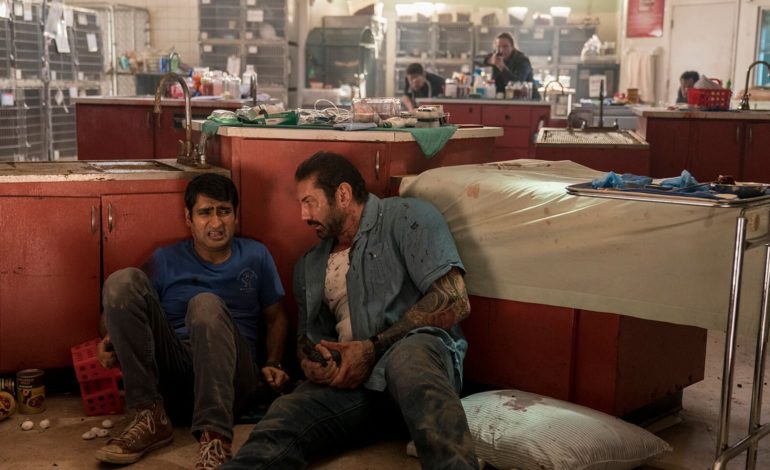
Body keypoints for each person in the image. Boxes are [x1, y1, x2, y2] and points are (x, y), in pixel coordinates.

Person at [223, 152, 478, 469]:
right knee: (286, 411)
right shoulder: (309, 265)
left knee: (409, 359)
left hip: (416, 363)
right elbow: (306, 338)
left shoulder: (407, 216)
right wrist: (314, 361)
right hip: (356, 388)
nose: (303, 215)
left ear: (342, 195)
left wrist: (372, 348)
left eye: (310, 202)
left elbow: (454, 300)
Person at [94, 173, 290, 469]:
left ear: (236, 215)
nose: (216, 223)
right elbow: (116, 311)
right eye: (205, 212)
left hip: (234, 378)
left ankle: (215, 437)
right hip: (174, 373)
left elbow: (276, 317)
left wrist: (274, 362)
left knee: (205, 304)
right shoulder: (165, 259)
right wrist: (111, 339)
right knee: (121, 281)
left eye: (224, 211)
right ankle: (149, 416)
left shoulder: (256, 255)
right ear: (189, 218)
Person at [482, 31, 535, 96]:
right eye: (498, 47)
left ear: (512, 46)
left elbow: (517, 83)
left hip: (526, 99)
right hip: (502, 97)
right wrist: (489, 60)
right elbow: (476, 60)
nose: (501, 50)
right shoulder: (497, 56)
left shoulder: (523, 60)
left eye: (505, 47)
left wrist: (502, 67)